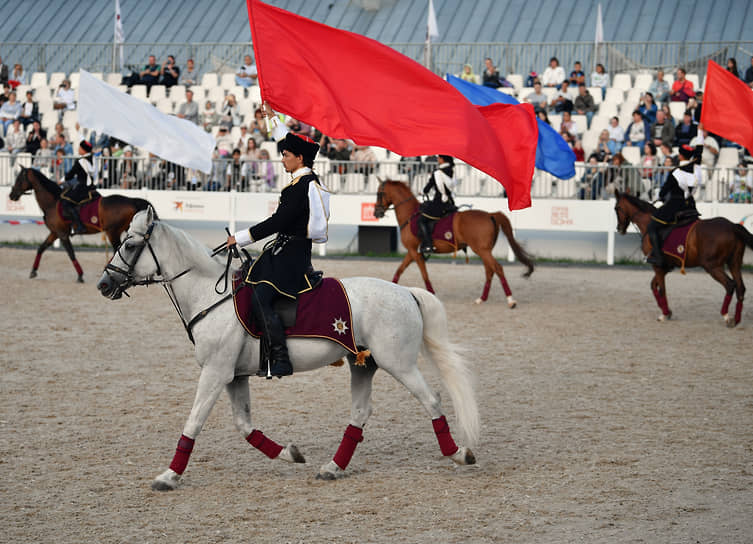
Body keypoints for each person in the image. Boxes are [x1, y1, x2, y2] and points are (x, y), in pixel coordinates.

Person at [227, 102, 330, 378]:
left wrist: (239, 238)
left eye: (286, 156)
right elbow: (284, 140)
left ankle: (280, 357)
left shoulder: (301, 188)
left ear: (299, 159)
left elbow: (278, 223)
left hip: (292, 256)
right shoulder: (301, 181)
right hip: (282, 251)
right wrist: (273, 118)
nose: (282, 159)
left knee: (261, 297)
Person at [645, 139, 704, 267]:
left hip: (675, 206)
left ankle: (658, 256)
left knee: (652, 226)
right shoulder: (696, 170)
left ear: (680, 156)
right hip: (690, 205)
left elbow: (664, 191)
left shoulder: (675, 172)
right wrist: (700, 134)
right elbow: (699, 153)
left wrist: (660, 197)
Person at [417, 155, 457, 255]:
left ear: (443, 160)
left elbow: (428, 188)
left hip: (439, 203)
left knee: (422, 220)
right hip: (450, 202)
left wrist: (423, 192)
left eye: (439, 158)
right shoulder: (452, 171)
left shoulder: (437, 173)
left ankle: (428, 245)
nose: (438, 159)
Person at [60, 140, 96, 234]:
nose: (78, 149)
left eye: (80, 148)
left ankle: (79, 226)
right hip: (92, 186)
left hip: (83, 187)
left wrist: (61, 180)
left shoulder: (80, 161)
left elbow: (70, 175)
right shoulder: (92, 158)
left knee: (66, 201)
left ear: (84, 150)